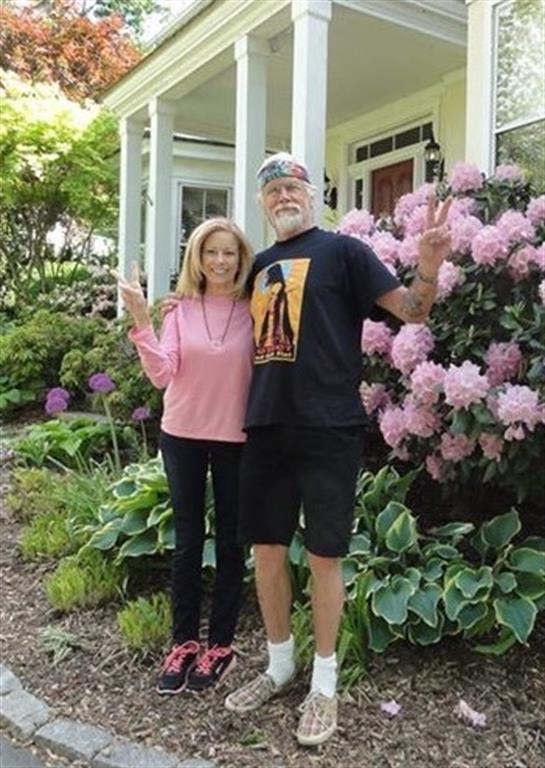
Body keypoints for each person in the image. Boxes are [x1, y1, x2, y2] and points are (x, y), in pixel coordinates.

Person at [224, 152, 452, 746]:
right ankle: (279, 665)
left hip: (328, 427)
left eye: (292, 186)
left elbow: (412, 310)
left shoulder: (343, 252)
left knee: (325, 555)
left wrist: (427, 265)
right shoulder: (259, 266)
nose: (282, 197)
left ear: (311, 194)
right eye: (271, 191)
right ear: (262, 203)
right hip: (265, 425)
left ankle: (323, 684)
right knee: (267, 552)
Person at [118, 217, 254, 694]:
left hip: (237, 438)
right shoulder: (180, 309)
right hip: (182, 435)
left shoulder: (254, 309)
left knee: (233, 542)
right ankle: (183, 643)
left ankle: (220, 644)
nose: (220, 261)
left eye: (229, 253)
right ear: (196, 256)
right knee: (189, 541)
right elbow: (162, 374)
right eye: (211, 252)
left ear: (241, 260)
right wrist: (141, 319)